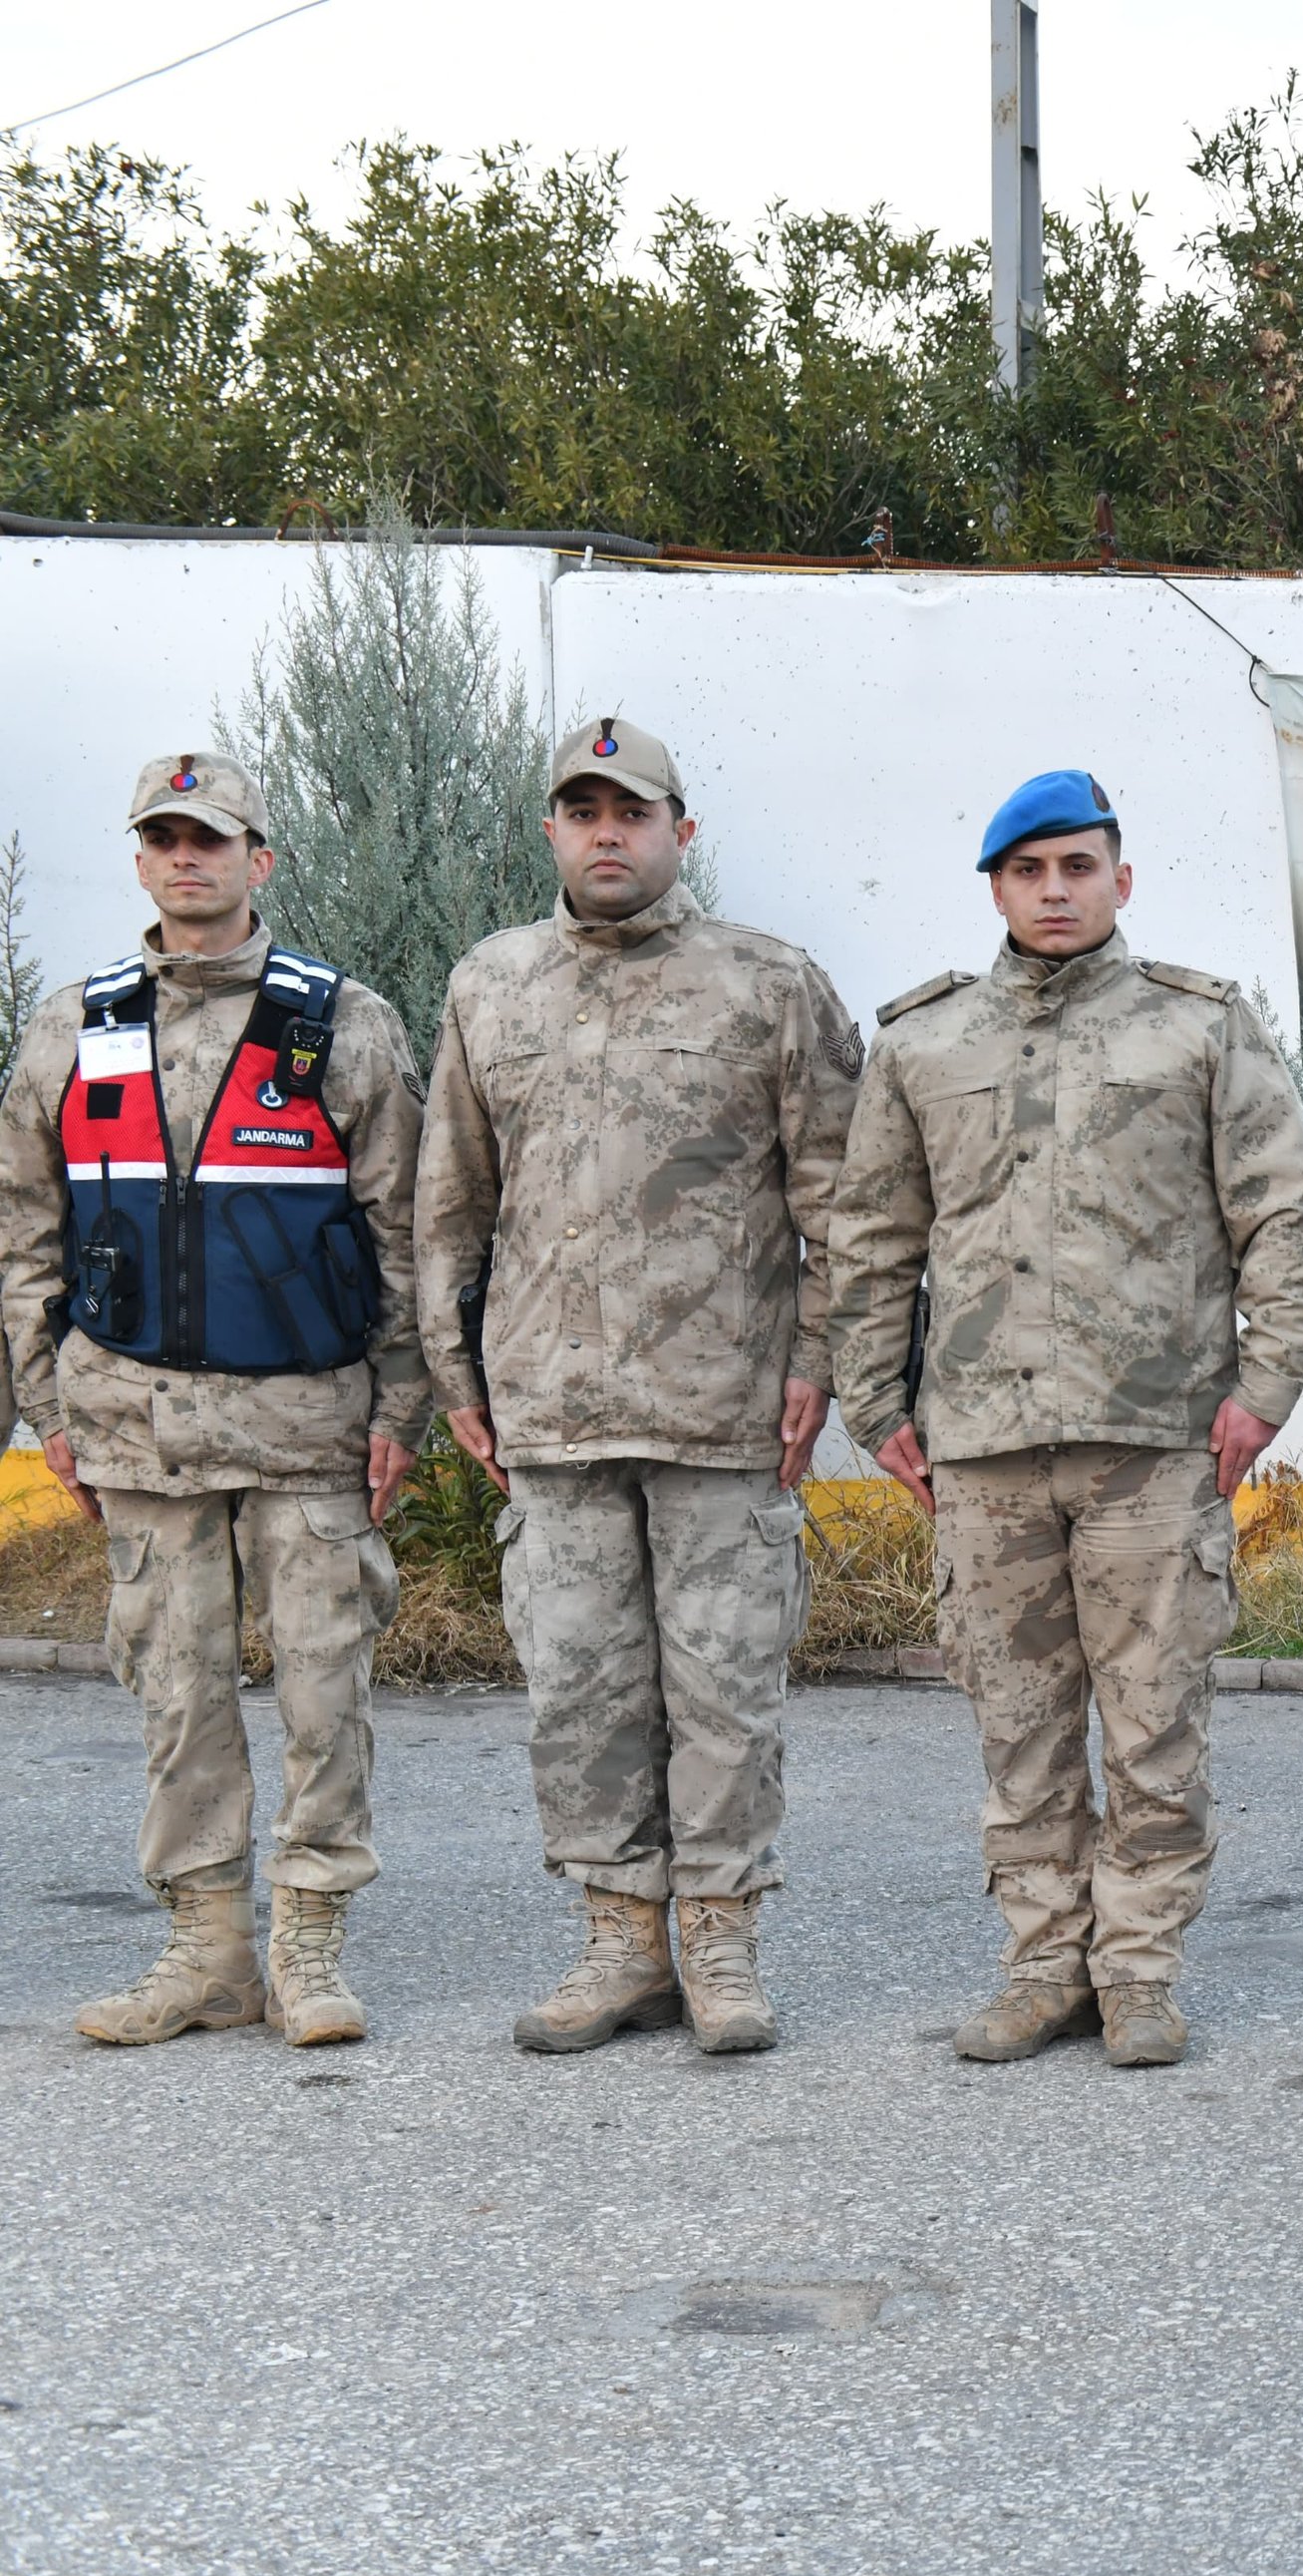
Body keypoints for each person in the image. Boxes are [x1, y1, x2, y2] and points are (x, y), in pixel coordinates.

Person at [825, 772, 1303, 2071]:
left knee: (1155, 1717)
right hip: (983, 1445)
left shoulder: (1198, 1031)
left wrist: (1263, 1389)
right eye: (1030, 870)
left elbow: (1280, 1213)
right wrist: (876, 1400)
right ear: (994, 886)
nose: (1057, 891)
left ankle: (1142, 1967)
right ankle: (1046, 1962)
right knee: (1020, 1720)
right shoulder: (924, 1044)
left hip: (1154, 1437)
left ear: (1123, 877)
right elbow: (873, 1236)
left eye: (1080, 866)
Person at [418, 717, 859, 2057]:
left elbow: (844, 1198)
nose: (609, 832)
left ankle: (720, 1943)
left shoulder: (769, 985)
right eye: (582, 810)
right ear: (552, 830)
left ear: (682, 831)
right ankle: (621, 1940)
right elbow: (452, 1198)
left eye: (634, 810)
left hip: (722, 1406)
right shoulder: (491, 986)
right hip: (552, 1404)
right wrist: (455, 1367)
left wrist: (820, 1355)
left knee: (724, 1687)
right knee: (580, 1689)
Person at [0, 754, 424, 2049]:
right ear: (140, 860)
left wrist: (402, 1405)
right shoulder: (74, 1026)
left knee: (321, 1693)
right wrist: (45, 1401)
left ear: (261, 859)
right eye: (165, 839)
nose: (189, 859)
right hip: (137, 1432)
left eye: (213, 839)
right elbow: (26, 1230)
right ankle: (209, 1949)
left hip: (308, 1432)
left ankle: (307, 1942)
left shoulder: (343, 1026)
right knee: (177, 1694)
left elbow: (405, 1231)